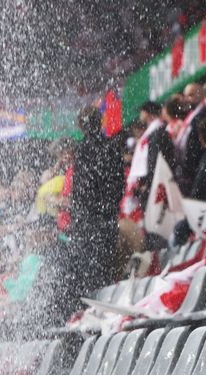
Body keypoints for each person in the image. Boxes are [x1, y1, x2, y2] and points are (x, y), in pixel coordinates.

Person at [69, 105, 126, 296]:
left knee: (89, 277)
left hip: (87, 223)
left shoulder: (82, 151)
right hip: (107, 219)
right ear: (99, 121)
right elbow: (119, 183)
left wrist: (78, 218)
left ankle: (93, 316)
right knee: (106, 271)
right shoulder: (112, 146)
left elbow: (80, 191)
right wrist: (110, 208)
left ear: (81, 127)